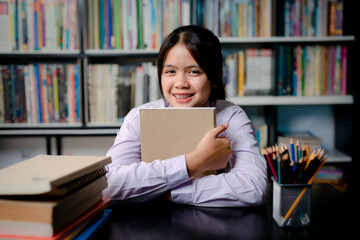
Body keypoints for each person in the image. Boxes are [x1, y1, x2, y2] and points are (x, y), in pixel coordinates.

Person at [103, 25, 267, 207]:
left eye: (194, 72)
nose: (180, 83)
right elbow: (108, 184)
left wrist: (166, 191)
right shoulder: (139, 117)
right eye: (170, 71)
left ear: (215, 77)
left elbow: (253, 188)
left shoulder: (231, 116)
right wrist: (195, 162)